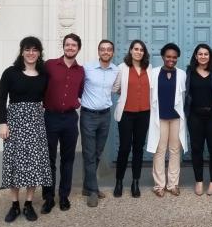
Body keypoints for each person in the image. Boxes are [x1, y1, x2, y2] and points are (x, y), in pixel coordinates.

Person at [0, 36, 52, 223]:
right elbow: (1, 99)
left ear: (39, 53)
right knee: (14, 163)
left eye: (35, 49)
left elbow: (47, 98)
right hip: (15, 123)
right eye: (27, 49)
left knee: (33, 164)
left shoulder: (44, 74)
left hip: (36, 123)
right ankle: (14, 204)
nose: (31, 53)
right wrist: (3, 123)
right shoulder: (10, 73)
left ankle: (28, 204)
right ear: (22, 51)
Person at [41, 33, 85, 214]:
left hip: (69, 119)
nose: (70, 48)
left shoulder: (81, 71)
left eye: (74, 45)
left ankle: (64, 195)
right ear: (63, 46)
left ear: (78, 48)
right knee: (49, 159)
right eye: (67, 45)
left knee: (68, 159)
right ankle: (49, 197)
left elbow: (80, 92)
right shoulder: (50, 65)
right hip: (50, 117)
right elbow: (39, 84)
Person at [79, 39, 118, 207]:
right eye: (103, 49)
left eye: (109, 49)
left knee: (97, 152)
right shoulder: (87, 69)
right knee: (89, 153)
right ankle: (93, 191)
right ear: (98, 51)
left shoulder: (116, 70)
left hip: (105, 116)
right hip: (88, 115)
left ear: (113, 52)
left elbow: (116, 89)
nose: (106, 52)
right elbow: (77, 87)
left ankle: (88, 186)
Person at [147, 43, 189, 197]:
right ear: (163, 57)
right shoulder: (154, 73)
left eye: (174, 57)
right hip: (160, 117)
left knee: (175, 150)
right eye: (168, 56)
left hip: (176, 118)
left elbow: (184, 97)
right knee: (159, 150)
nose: (171, 59)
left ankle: (173, 184)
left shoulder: (182, 74)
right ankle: (159, 185)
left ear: (177, 58)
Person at [184, 43, 212, 196]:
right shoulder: (189, 72)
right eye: (200, 54)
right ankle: (199, 180)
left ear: (210, 56)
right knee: (197, 148)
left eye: (206, 54)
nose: (203, 56)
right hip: (195, 116)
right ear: (196, 56)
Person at [111, 39, 152, 198]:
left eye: (141, 50)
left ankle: (135, 182)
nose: (138, 52)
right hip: (127, 113)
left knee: (138, 149)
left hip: (144, 114)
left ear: (144, 53)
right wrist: (124, 92)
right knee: (124, 148)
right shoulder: (122, 68)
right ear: (130, 51)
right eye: (136, 49)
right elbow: (115, 88)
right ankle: (119, 182)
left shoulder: (149, 69)